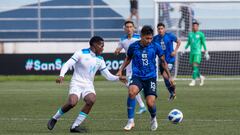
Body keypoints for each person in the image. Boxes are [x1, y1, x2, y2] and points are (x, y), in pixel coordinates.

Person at [47, 36, 126, 133]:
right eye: (101, 46)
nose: (103, 48)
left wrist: (118, 78)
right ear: (94, 45)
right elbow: (67, 64)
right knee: (72, 103)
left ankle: (75, 126)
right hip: (76, 83)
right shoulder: (81, 53)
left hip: (88, 85)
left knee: (91, 100)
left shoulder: (100, 59)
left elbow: (108, 76)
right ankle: (55, 118)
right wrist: (61, 75)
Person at [117, 26, 174, 131]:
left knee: (150, 103)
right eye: (147, 38)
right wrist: (121, 70)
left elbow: (163, 61)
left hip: (151, 77)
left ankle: (153, 118)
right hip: (137, 76)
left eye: (150, 38)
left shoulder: (155, 46)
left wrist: (169, 77)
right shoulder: (133, 46)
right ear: (141, 36)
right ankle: (130, 121)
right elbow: (128, 59)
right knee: (131, 92)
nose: (149, 41)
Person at [114, 21, 147, 114]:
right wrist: (117, 51)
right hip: (129, 64)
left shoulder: (138, 38)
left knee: (131, 85)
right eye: (127, 27)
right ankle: (142, 103)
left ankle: (142, 104)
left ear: (133, 28)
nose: (129, 29)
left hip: (139, 63)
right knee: (125, 81)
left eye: (130, 27)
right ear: (124, 29)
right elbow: (119, 48)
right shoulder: (122, 39)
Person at [153, 22, 181, 101]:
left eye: (162, 29)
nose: (160, 30)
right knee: (165, 78)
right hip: (161, 61)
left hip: (170, 60)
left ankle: (172, 92)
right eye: (159, 29)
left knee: (166, 75)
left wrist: (175, 51)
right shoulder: (155, 38)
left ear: (164, 29)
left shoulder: (170, 35)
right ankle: (173, 93)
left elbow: (178, 41)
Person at [183, 21, 209, 86]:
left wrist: (206, 52)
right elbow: (188, 43)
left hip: (198, 53)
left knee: (195, 66)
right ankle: (201, 77)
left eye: (196, 26)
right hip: (192, 53)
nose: (194, 27)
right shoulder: (190, 34)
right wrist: (184, 49)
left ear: (198, 27)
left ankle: (193, 81)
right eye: (193, 26)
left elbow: (203, 43)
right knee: (194, 68)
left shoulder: (201, 34)